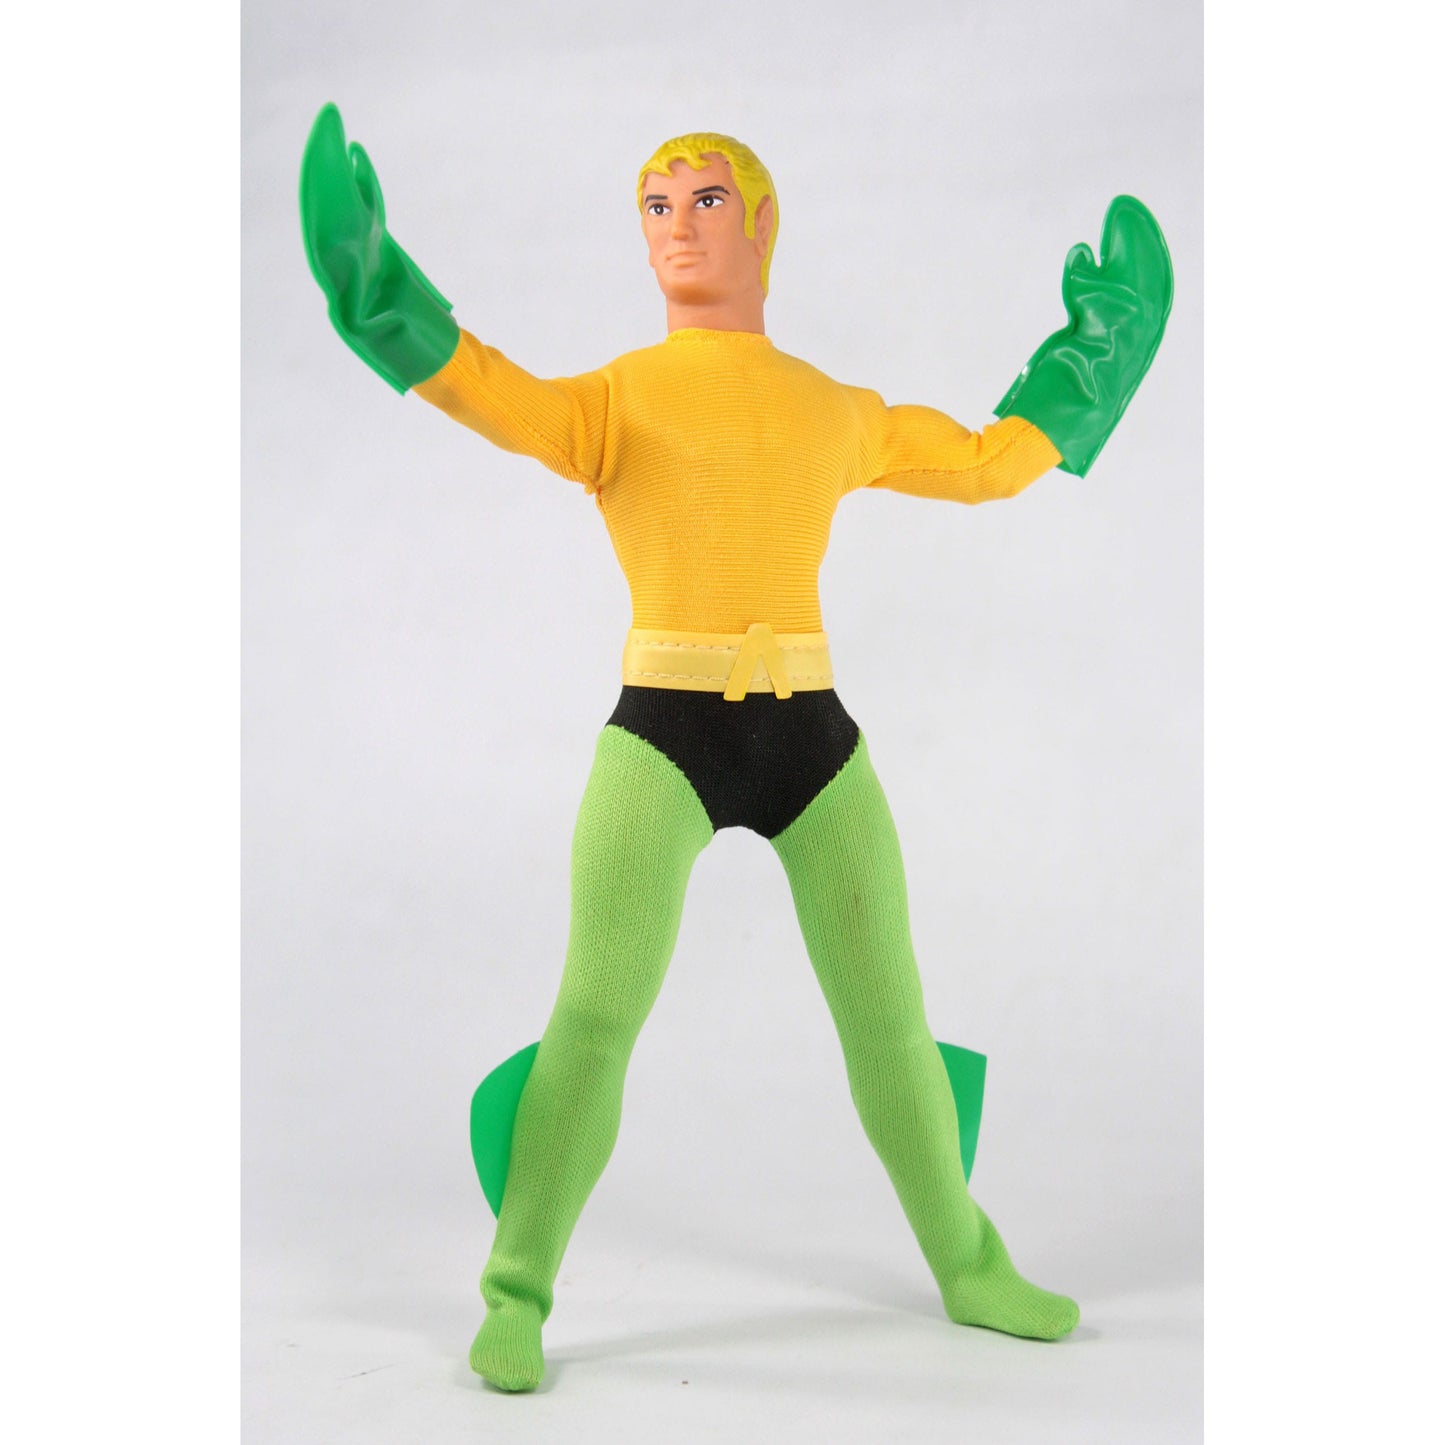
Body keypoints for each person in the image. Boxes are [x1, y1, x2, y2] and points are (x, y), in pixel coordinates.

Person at [300, 103, 1172, 1393]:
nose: (676, 229)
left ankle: (969, 1262)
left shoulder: (830, 408)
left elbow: (989, 465)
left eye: (704, 201)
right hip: (662, 736)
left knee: (891, 1021)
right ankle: (515, 1289)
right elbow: (487, 389)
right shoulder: (615, 400)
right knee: (596, 1013)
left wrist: (1106, 346)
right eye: (655, 208)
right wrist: (378, 293)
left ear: (763, 225)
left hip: (813, 738)